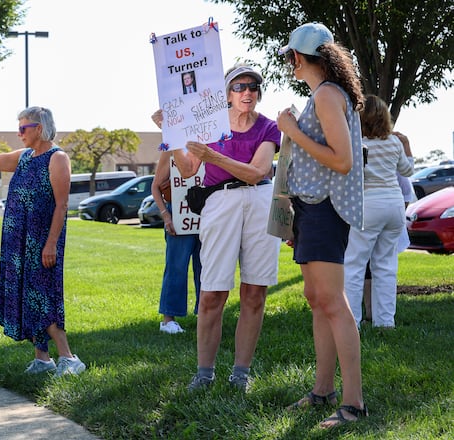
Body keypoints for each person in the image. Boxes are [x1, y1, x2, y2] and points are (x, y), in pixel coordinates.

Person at [276, 22, 368, 427]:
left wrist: (292, 131)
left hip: (326, 210)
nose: (289, 64)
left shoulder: (328, 95)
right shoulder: (325, 94)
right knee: (318, 300)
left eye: (289, 57)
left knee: (333, 303)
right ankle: (322, 390)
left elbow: (342, 160)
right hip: (313, 209)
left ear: (298, 57)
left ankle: (354, 403)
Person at [0, 107, 86, 376]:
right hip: (18, 241)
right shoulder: (24, 157)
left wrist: (50, 244)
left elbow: (61, 206)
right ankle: (42, 358)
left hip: (41, 242)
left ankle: (70, 358)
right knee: (27, 295)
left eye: (23, 128)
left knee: (43, 297)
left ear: (39, 128)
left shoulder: (57, 158)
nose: (19, 133)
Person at [172, 64, 280, 391]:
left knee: (255, 292)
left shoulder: (269, 128)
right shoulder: (208, 127)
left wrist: (213, 157)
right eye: (239, 87)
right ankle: (204, 373)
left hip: (261, 202)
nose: (247, 92)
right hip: (220, 201)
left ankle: (240, 374)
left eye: (253, 87)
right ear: (227, 93)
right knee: (212, 292)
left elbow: (258, 172)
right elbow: (190, 167)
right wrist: (174, 135)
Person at [344, 95, 414, 329]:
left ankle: (353, 321)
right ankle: (385, 322)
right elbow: (408, 170)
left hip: (368, 206)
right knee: (385, 265)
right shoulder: (394, 143)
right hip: (394, 206)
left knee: (354, 265)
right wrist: (407, 146)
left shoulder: (358, 145)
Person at [150, 111, 202, 334]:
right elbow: (155, 187)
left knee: (206, 267)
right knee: (176, 265)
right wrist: (166, 215)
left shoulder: (210, 148)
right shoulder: (170, 150)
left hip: (207, 215)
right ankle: (168, 319)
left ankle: (206, 313)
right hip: (179, 215)